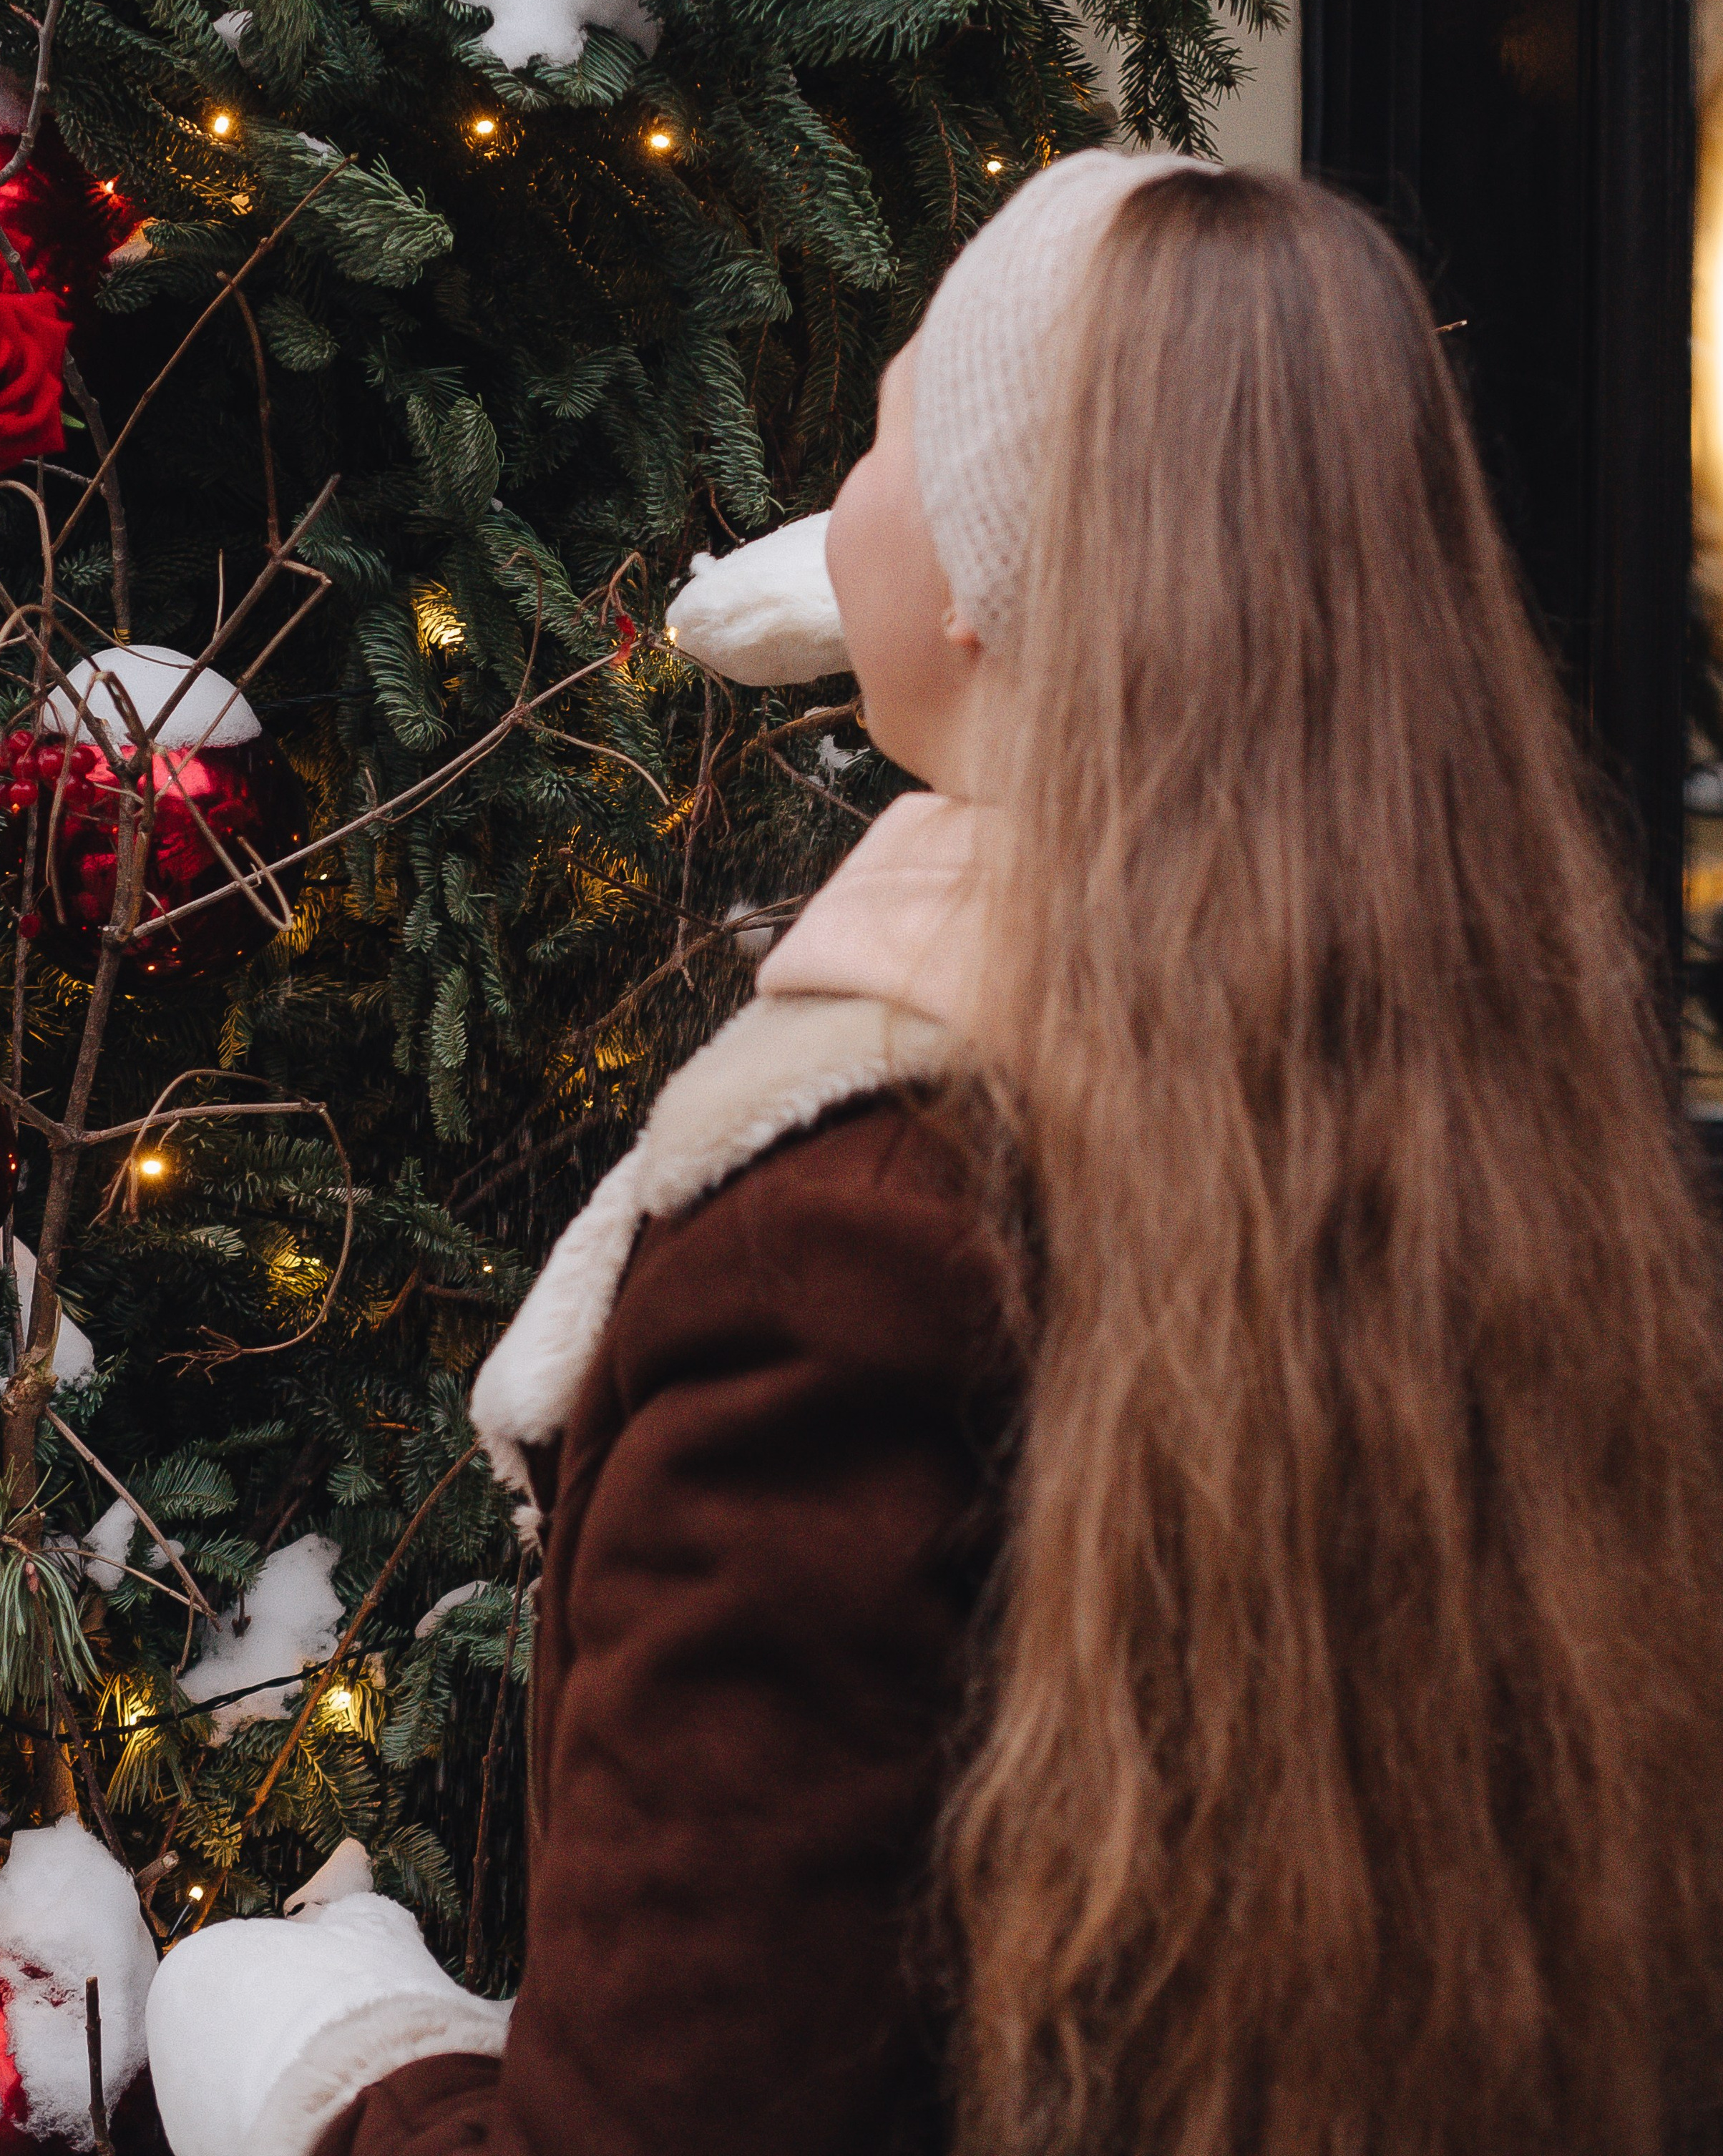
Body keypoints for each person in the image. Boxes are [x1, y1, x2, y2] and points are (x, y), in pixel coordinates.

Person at [146, 157, 1723, 2156]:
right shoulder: (1477, 1122)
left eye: (885, 425)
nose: (841, 497)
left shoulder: (857, 1251)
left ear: (991, 576)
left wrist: (333, 2061)